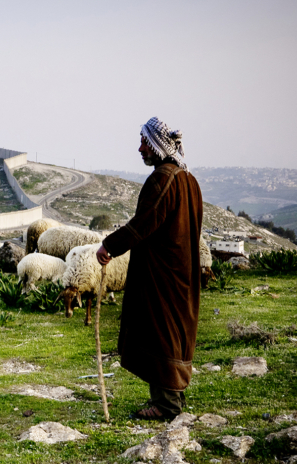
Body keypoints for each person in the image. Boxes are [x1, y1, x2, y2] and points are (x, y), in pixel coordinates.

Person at [96, 117, 203, 420]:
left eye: (145, 142)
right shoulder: (188, 179)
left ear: (158, 147)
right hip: (182, 271)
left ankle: (167, 405)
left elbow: (144, 223)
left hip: (162, 273)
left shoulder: (163, 179)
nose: (140, 148)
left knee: (162, 332)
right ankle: (171, 400)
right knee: (174, 331)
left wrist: (109, 246)